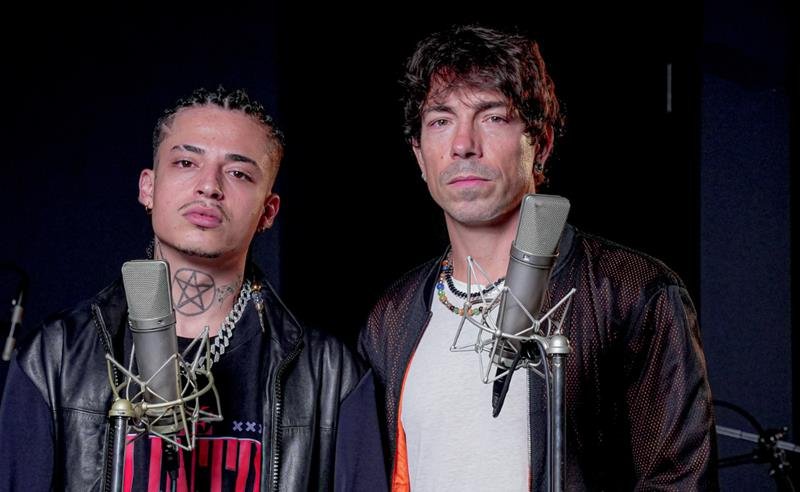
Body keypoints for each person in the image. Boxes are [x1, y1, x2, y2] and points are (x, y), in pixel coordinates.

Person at [358, 25, 717, 491]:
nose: (463, 144)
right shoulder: (391, 318)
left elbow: (680, 482)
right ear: (420, 156)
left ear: (541, 143)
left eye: (493, 117)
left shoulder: (631, 293)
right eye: (441, 121)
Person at [0, 87, 384, 491]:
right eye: (186, 162)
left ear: (268, 211)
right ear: (148, 187)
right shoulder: (53, 357)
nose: (209, 186)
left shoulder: (330, 375)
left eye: (238, 173)